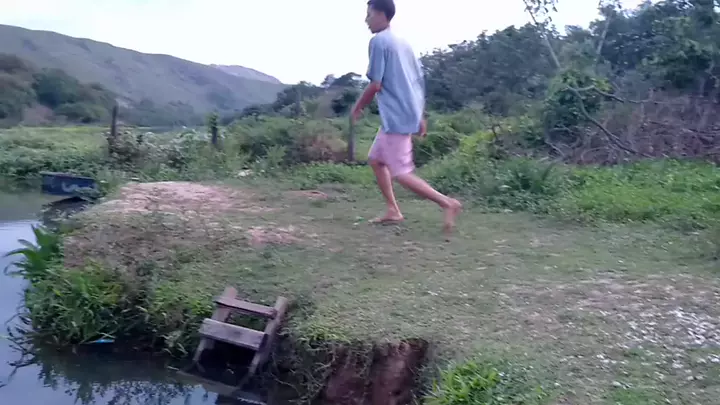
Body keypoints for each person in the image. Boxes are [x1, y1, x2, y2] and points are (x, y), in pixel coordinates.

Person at [351, 0, 462, 234]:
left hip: (396, 117)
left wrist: (358, 107)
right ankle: (393, 210)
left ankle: (447, 203)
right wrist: (419, 115)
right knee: (376, 160)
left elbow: (375, 84)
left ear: (382, 14)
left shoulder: (379, 41)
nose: (366, 20)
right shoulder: (402, 43)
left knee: (401, 172)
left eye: (369, 14)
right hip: (403, 114)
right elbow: (415, 82)